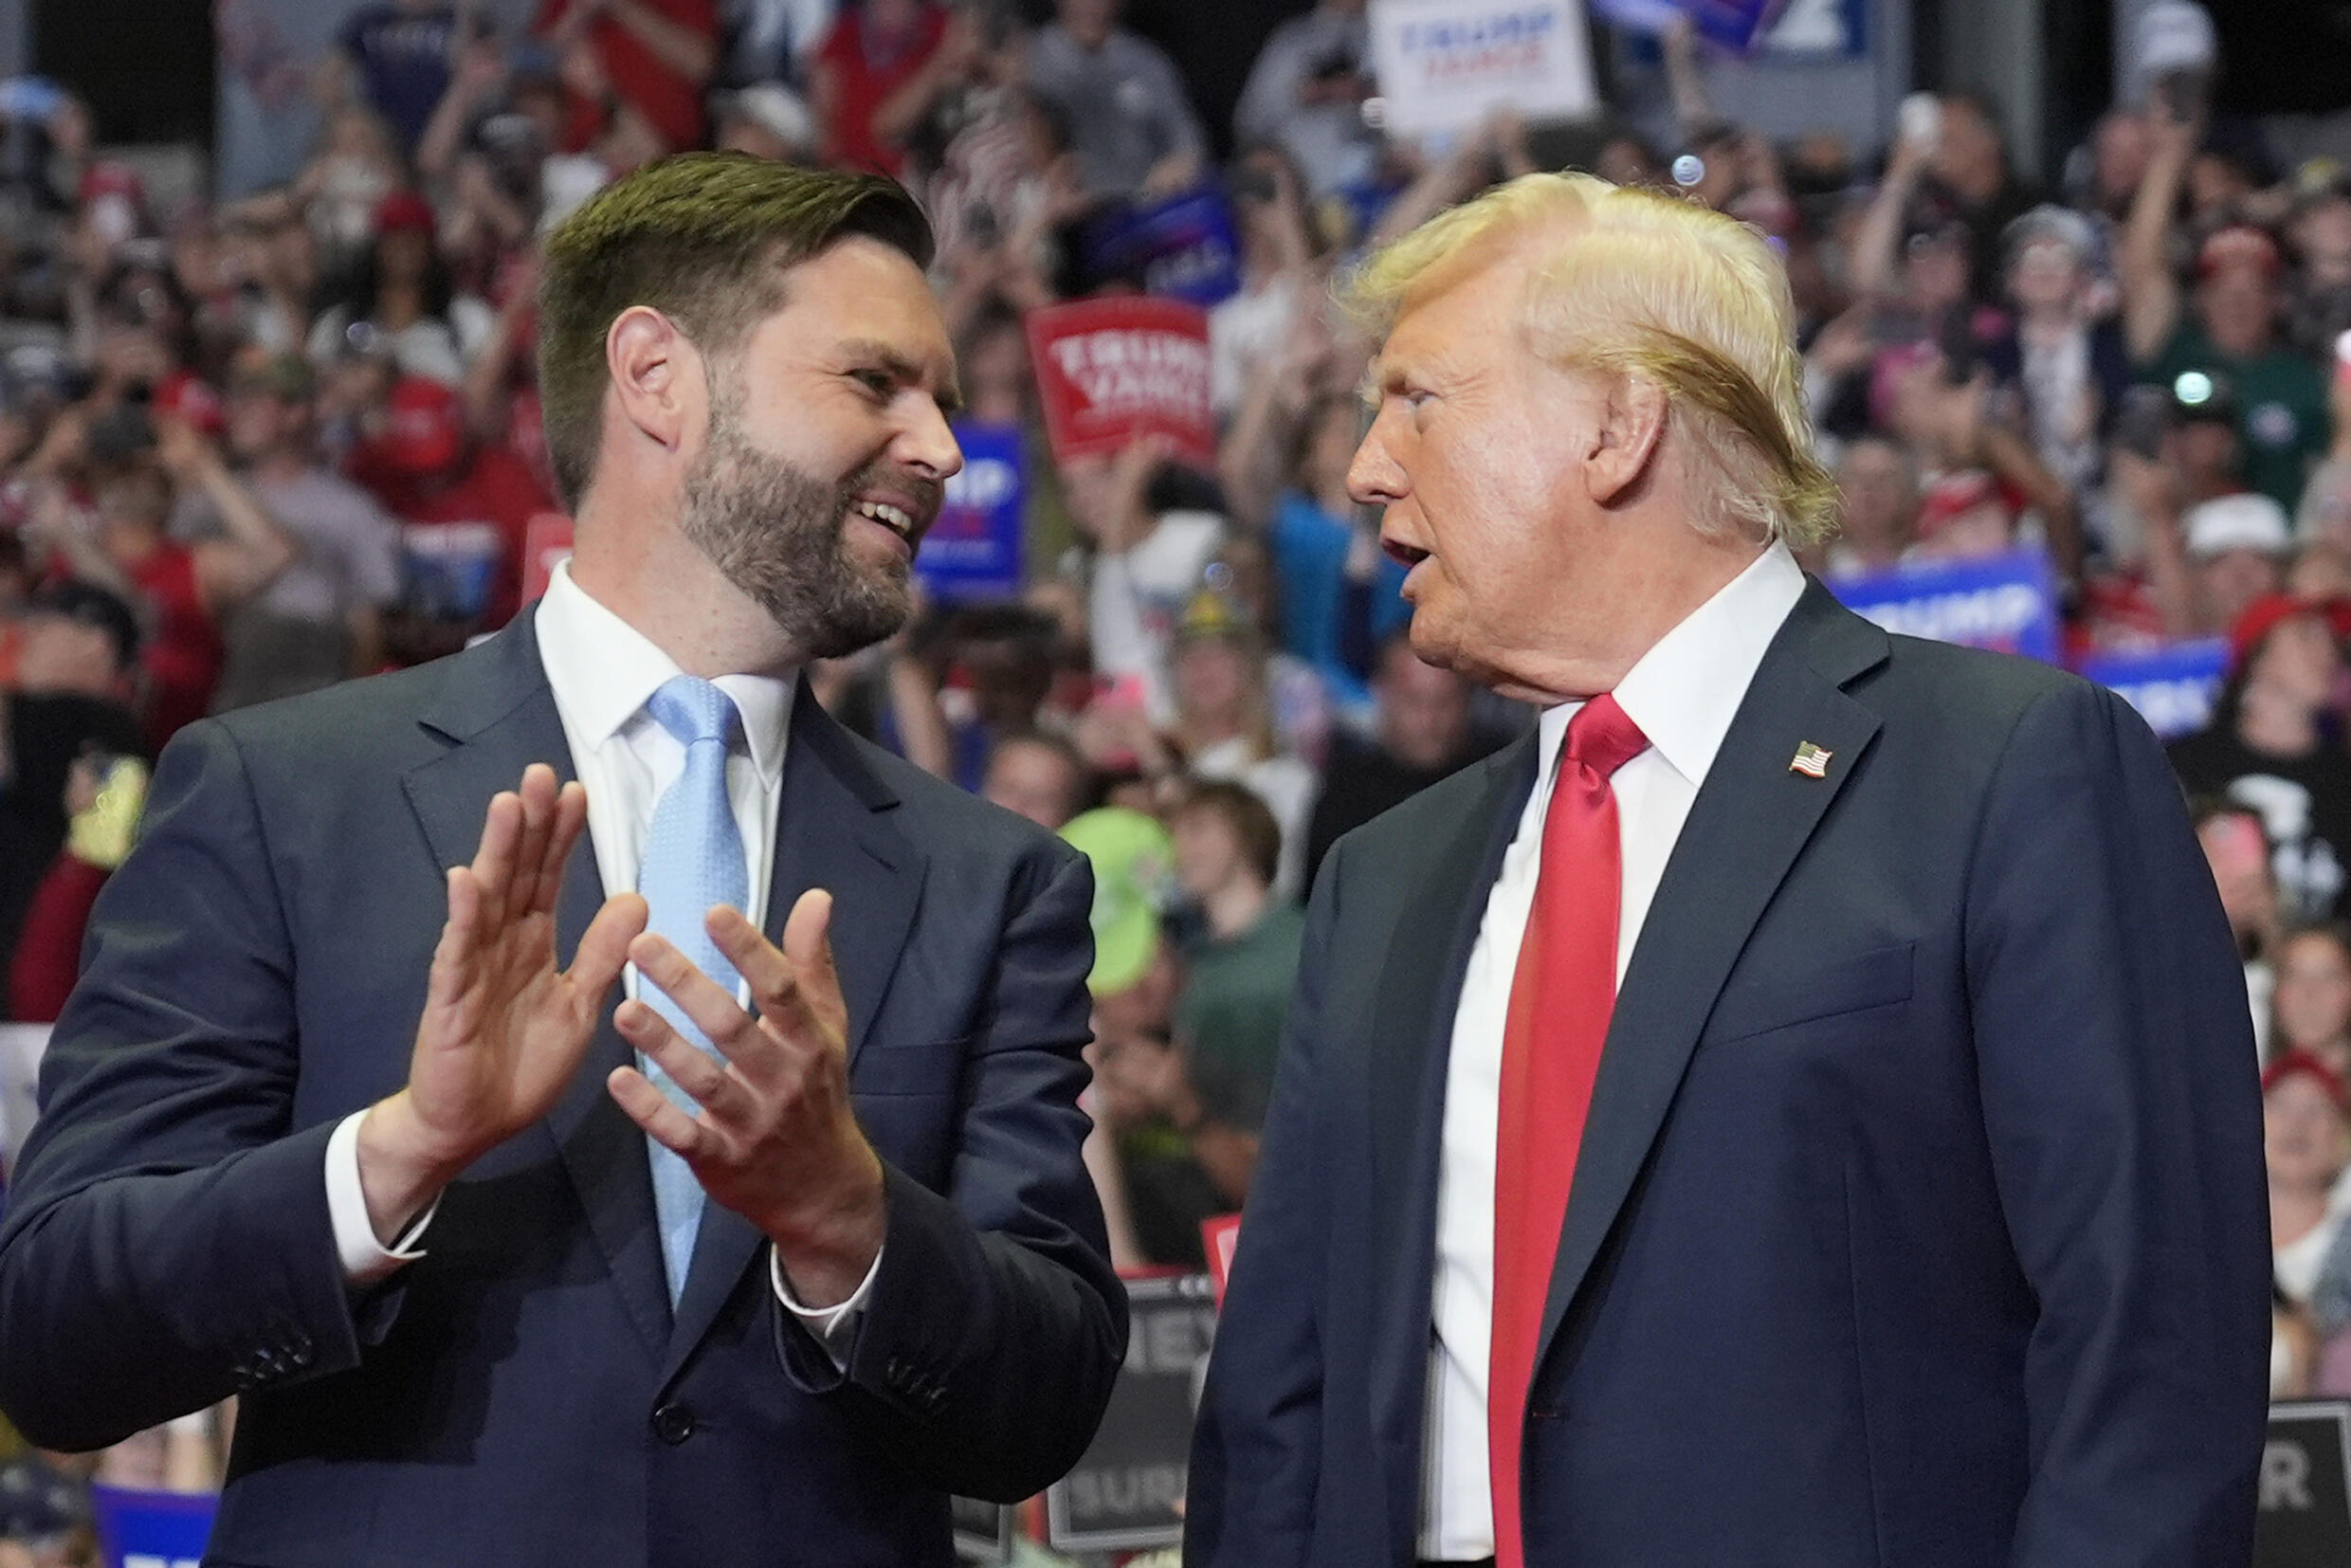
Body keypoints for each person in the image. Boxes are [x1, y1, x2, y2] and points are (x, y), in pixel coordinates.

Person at [0, 154, 1124, 1567]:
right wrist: (402, 1149)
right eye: (876, 381)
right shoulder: (280, 793)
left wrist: (845, 1209)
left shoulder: (999, 878)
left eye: (946, 402)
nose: (944, 448)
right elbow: (53, 1335)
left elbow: (1054, 1395)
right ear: (656, 373)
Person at [1188, 172, 2269, 1568]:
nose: (1366, 465)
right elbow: (1286, 1401)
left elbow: (2150, 1359)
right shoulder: (1380, 877)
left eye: (1419, 399)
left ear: (1618, 425)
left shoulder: (2014, 774)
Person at [2169, 593, 2351, 924]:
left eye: (2333, 641)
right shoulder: (2183, 765)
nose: (2329, 653)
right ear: (2259, 656)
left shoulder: (2343, 779)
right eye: (2307, 636)